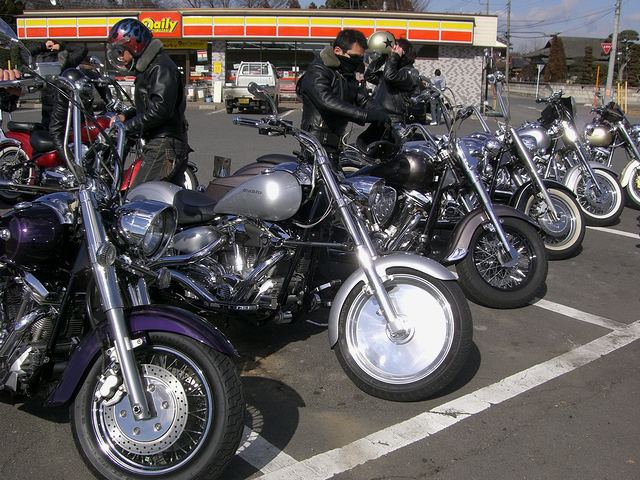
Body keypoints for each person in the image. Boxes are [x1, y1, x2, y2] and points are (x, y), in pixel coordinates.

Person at [106, 18, 189, 187]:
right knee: (166, 198)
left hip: (163, 144)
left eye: (121, 51)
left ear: (134, 45)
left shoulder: (160, 67)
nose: (121, 57)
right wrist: (126, 116)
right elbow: (149, 105)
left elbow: (160, 110)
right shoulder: (150, 67)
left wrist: (127, 127)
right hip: (163, 143)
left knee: (139, 196)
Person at [297, 29, 388, 163]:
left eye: (360, 57)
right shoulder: (318, 70)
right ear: (338, 51)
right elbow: (327, 101)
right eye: (354, 57)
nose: (357, 61)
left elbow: (361, 97)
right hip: (317, 142)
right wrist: (365, 115)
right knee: (318, 176)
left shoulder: (346, 73)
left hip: (336, 141)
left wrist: (381, 113)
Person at [28, 39, 87, 128]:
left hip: (53, 99)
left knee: (51, 127)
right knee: (63, 126)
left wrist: (44, 46)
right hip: (60, 99)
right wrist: (60, 47)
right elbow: (82, 49)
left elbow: (25, 52)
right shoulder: (65, 59)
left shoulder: (38, 60)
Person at [364, 38, 421, 124]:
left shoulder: (410, 73)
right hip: (379, 116)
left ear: (403, 52)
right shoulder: (390, 72)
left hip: (393, 120)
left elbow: (390, 77)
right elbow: (369, 75)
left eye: (396, 49)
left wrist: (395, 56)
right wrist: (383, 57)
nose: (392, 52)